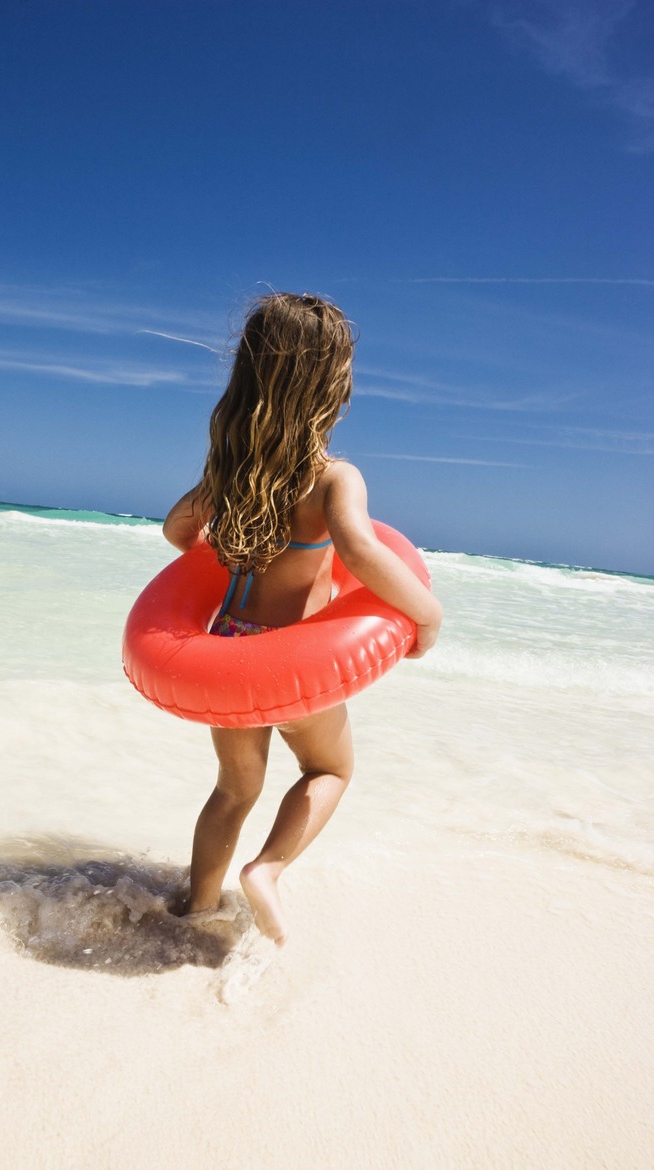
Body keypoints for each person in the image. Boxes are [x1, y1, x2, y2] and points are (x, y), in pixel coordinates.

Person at [163, 293, 442, 945]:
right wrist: (425, 615)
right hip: (293, 664)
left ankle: (196, 907)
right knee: (329, 771)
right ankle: (267, 870)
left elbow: (178, 530)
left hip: (229, 650)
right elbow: (359, 549)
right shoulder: (333, 477)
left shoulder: (229, 470)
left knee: (233, 790)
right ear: (332, 382)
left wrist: (220, 556)